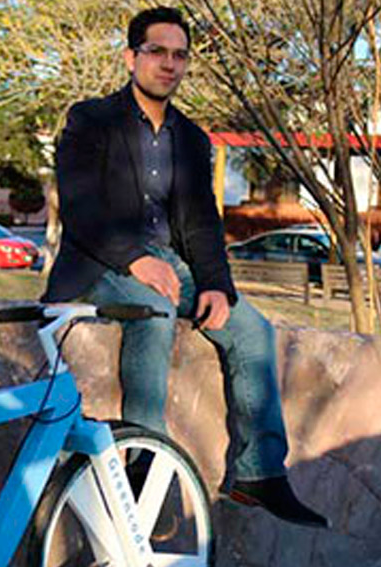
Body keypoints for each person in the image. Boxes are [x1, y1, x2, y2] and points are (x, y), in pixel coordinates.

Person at [43, 6, 327, 528]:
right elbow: (81, 209)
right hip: (99, 264)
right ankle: (141, 466)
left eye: (179, 55)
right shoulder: (91, 120)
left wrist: (217, 286)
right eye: (157, 52)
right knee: (152, 309)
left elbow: (202, 224)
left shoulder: (193, 140)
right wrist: (137, 259)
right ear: (132, 57)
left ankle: (258, 474)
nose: (168, 64)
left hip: (172, 265)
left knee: (251, 330)